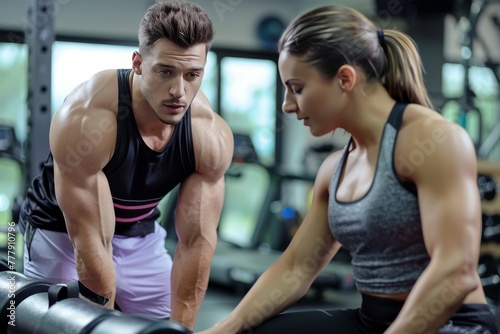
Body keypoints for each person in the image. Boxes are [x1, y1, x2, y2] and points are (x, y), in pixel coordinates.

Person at [198, 5, 497, 334]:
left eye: (297, 88)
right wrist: (225, 329)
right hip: (373, 320)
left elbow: (456, 274)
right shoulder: (334, 169)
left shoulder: (431, 140)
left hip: (450, 324)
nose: (287, 104)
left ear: (345, 79)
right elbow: (298, 267)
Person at [19, 0, 234, 330]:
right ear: (138, 63)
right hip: (59, 230)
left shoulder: (209, 135)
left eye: (193, 75)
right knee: (57, 322)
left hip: (139, 232)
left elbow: (196, 244)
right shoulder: (87, 118)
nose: (179, 91)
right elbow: (90, 241)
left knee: (163, 326)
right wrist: (97, 324)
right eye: (165, 71)